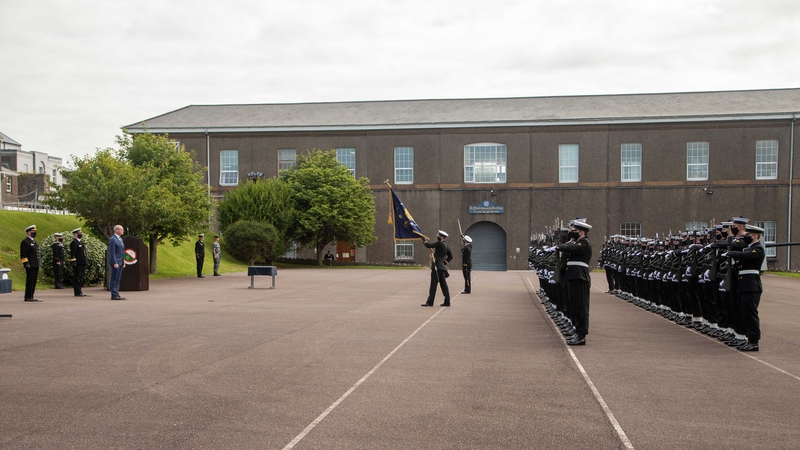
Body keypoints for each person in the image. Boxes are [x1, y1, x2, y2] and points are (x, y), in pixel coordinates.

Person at [726, 224, 766, 351]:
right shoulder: (748, 249)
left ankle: (754, 341)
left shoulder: (757, 249)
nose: (745, 237)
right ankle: (748, 339)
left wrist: (730, 253)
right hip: (744, 286)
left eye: (748, 235)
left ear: (754, 236)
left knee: (751, 315)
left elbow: (745, 255)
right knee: (745, 314)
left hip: (751, 286)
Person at [557, 219, 593, 346]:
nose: (572, 232)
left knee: (581, 307)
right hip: (574, 276)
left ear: (581, 232)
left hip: (580, 278)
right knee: (574, 306)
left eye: (575, 231)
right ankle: (577, 331)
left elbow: (569, 247)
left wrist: (558, 247)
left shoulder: (584, 243)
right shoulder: (577, 242)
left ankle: (581, 335)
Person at [422, 230, 453, 307]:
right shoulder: (447, 245)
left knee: (433, 285)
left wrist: (424, 240)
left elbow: (428, 245)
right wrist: (443, 263)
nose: (438, 236)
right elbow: (450, 257)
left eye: (439, 235)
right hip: (442, 268)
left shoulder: (440, 243)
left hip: (437, 267)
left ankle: (430, 302)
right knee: (444, 285)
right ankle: (447, 301)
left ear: (442, 237)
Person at [20, 225, 42, 302]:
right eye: (33, 232)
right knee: (30, 281)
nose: (34, 233)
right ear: (29, 232)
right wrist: (26, 263)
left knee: (34, 281)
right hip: (30, 264)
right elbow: (23, 254)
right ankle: (28, 296)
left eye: (35, 232)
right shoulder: (25, 242)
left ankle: (31, 296)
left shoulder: (34, 242)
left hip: (35, 264)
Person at [70, 228, 90, 297]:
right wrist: (74, 261)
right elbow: (73, 253)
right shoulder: (74, 243)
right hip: (78, 262)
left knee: (81, 277)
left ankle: (80, 291)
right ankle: (77, 292)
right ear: (75, 234)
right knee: (77, 277)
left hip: (82, 262)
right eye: (79, 233)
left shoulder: (81, 242)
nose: (80, 234)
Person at [108, 225, 126, 300]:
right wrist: (114, 262)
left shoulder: (120, 239)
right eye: (121, 229)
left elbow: (122, 252)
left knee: (118, 279)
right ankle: (114, 294)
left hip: (120, 261)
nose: (123, 231)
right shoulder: (113, 239)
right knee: (114, 279)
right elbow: (112, 253)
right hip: (116, 262)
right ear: (116, 230)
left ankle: (117, 293)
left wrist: (123, 261)